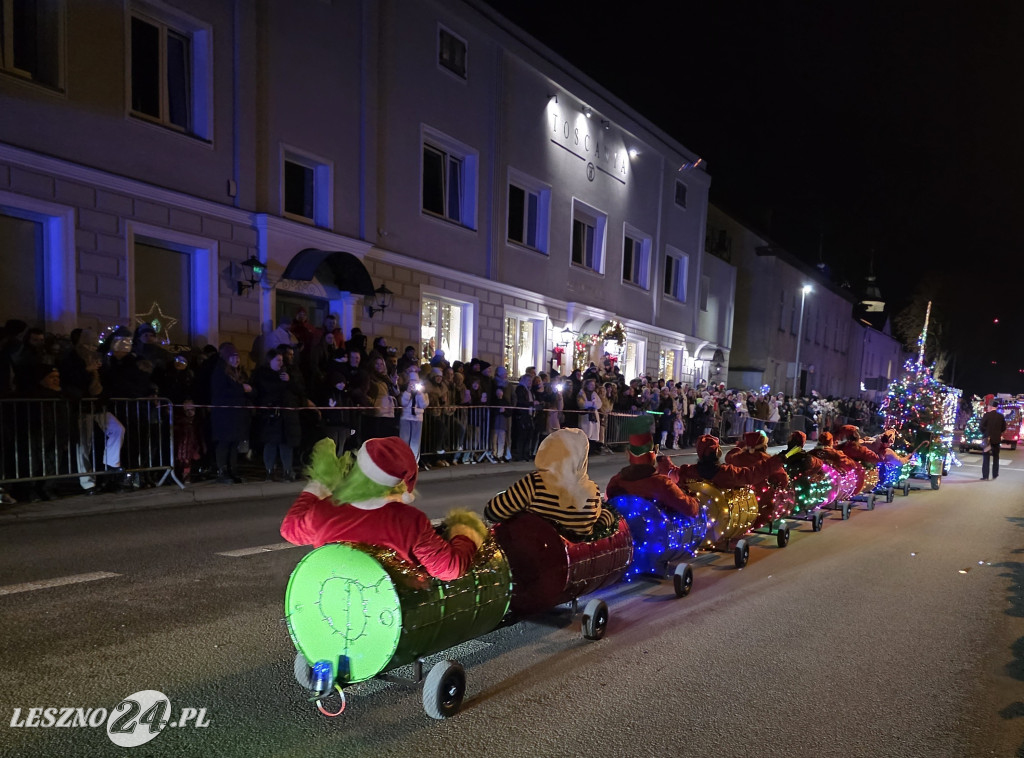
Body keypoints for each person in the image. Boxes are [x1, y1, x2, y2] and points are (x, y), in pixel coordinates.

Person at [280, 437, 487, 581]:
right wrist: (465, 535)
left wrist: (318, 485)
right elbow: (449, 568)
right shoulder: (409, 521)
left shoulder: (324, 510)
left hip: (334, 613)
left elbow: (290, 529)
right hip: (387, 620)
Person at [485, 427, 618, 538]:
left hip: (533, 555)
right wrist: (606, 515)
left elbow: (493, 512)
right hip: (573, 559)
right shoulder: (592, 492)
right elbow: (597, 528)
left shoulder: (535, 483)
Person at [605, 416, 700, 517]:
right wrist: (694, 498)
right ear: (654, 453)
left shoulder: (615, 481)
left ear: (628, 454)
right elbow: (691, 509)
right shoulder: (662, 484)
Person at [660, 434, 787, 490]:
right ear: (717, 452)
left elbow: (672, 472)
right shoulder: (728, 472)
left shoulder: (688, 471)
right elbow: (752, 474)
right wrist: (777, 460)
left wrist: (664, 461)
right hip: (722, 521)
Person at [252, 349, 301, 481]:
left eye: (282, 360)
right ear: (270, 361)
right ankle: (269, 471)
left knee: (286, 444)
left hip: (286, 416)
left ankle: (287, 470)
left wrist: (289, 381)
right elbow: (268, 390)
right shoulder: (263, 374)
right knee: (271, 444)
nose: (281, 363)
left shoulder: (285, 374)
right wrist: (283, 383)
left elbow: (297, 390)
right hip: (271, 416)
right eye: (278, 360)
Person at [209, 342, 252, 483]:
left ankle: (233, 470)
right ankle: (222, 471)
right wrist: (241, 389)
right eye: (233, 357)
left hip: (236, 414)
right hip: (224, 415)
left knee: (234, 444)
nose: (236, 360)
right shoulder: (220, 372)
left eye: (237, 357)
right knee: (224, 443)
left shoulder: (238, 372)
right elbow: (221, 392)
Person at [399, 365, 429, 463]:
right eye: (411, 381)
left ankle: (414, 462)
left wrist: (420, 394)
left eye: (415, 381)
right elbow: (403, 403)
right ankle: (403, 461)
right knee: (404, 441)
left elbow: (423, 405)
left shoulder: (423, 392)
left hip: (417, 419)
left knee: (415, 442)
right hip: (406, 418)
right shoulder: (405, 391)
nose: (413, 383)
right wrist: (408, 392)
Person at [980, 400, 1007, 480]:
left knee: (986, 457)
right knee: (996, 457)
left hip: (987, 439)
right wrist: (998, 433)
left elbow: (981, 426)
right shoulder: (1000, 416)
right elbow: (1003, 428)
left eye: (988, 406)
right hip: (996, 439)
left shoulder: (986, 415)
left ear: (990, 407)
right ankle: (995, 474)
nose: (987, 408)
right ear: (996, 407)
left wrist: (985, 433)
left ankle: (985, 476)